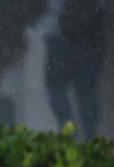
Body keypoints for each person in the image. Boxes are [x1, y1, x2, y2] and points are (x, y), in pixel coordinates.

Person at [45, 0, 108, 139]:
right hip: (85, 37)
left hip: (76, 36)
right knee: (83, 92)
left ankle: (76, 137)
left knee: (79, 92)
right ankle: (82, 138)